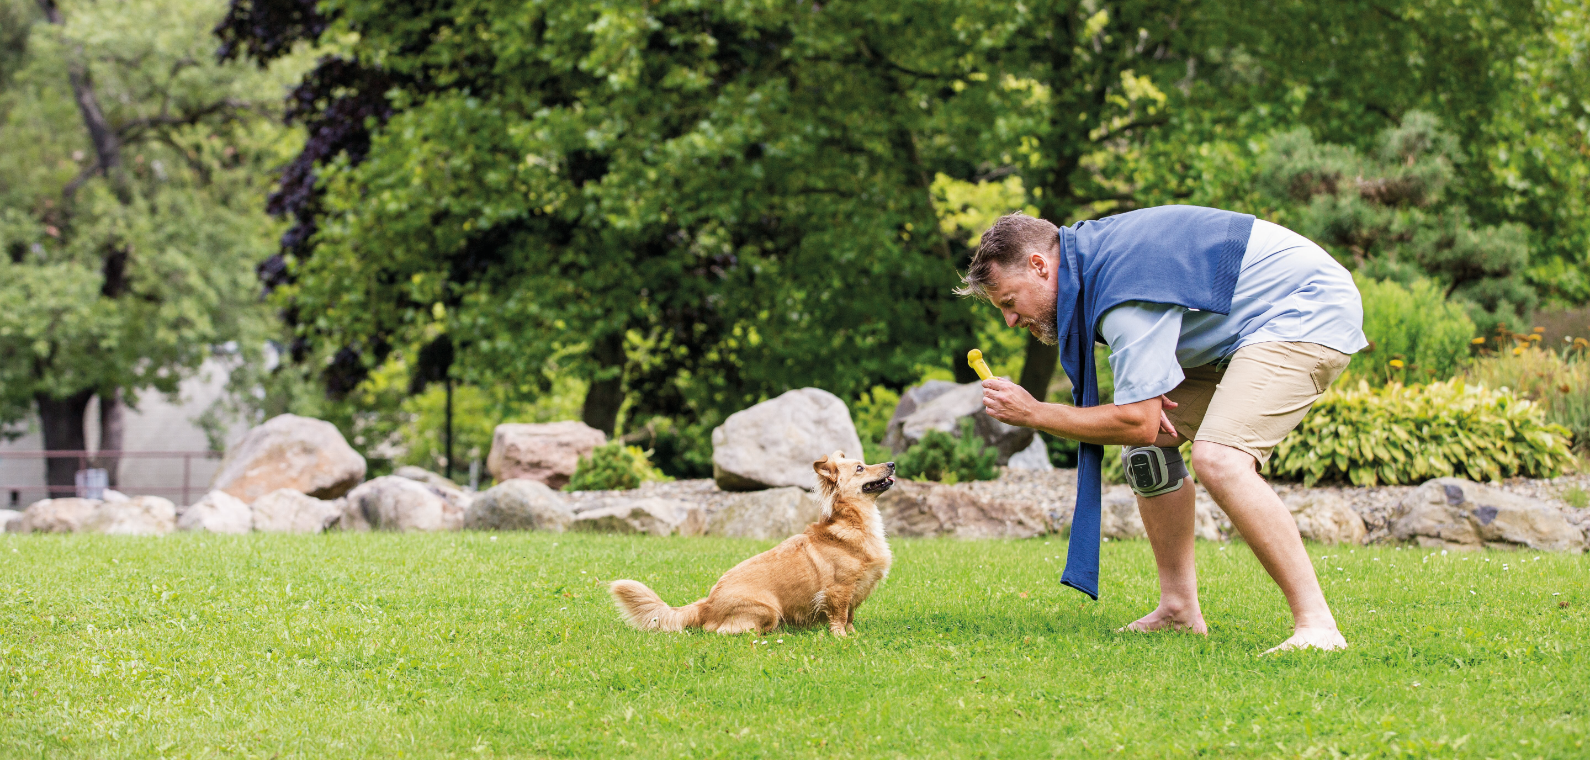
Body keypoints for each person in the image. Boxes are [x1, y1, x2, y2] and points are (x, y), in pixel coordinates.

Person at [958, 206, 1366, 653]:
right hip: (1235, 335)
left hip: (1303, 309)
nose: (1011, 322)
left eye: (1010, 304)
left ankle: (1318, 626)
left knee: (1219, 460)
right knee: (1147, 454)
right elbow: (1144, 427)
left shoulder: (1120, 287)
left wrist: (1035, 412)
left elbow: (1136, 420)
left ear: (1040, 265)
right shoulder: (1097, 265)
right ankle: (1178, 610)